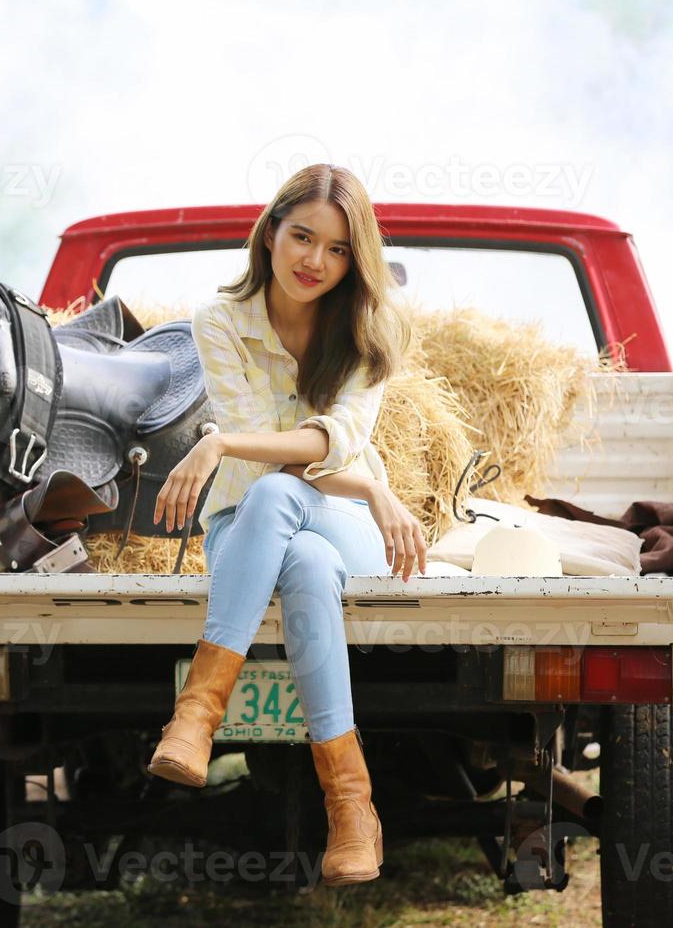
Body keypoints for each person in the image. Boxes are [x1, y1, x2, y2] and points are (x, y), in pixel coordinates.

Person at [145, 163, 428, 886]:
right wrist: (361, 476)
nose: (315, 262)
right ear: (269, 231)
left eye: (337, 249)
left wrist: (224, 444)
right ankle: (350, 810)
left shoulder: (373, 326)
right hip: (248, 528)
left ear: (355, 258)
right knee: (292, 548)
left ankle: (197, 717)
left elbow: (323, 440)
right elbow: (274, 456)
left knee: (278, 498)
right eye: (302, 237)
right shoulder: (220, 321)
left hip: (350, 525)